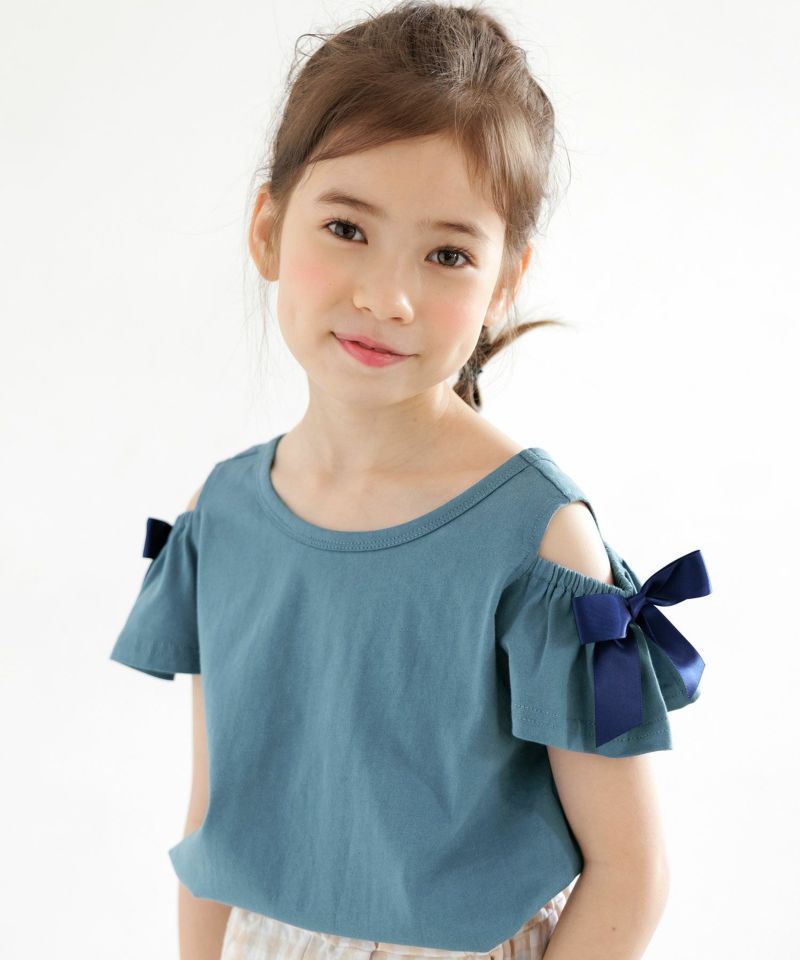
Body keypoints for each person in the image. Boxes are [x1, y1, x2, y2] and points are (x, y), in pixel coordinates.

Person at [109, 3, 712, 959]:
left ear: (503, 283)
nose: (386, 296)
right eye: (346, 227)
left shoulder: (539, 538)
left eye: (447, 254)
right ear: (267, 228)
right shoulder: (218, 517)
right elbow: (214, 823)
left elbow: (631, 871)